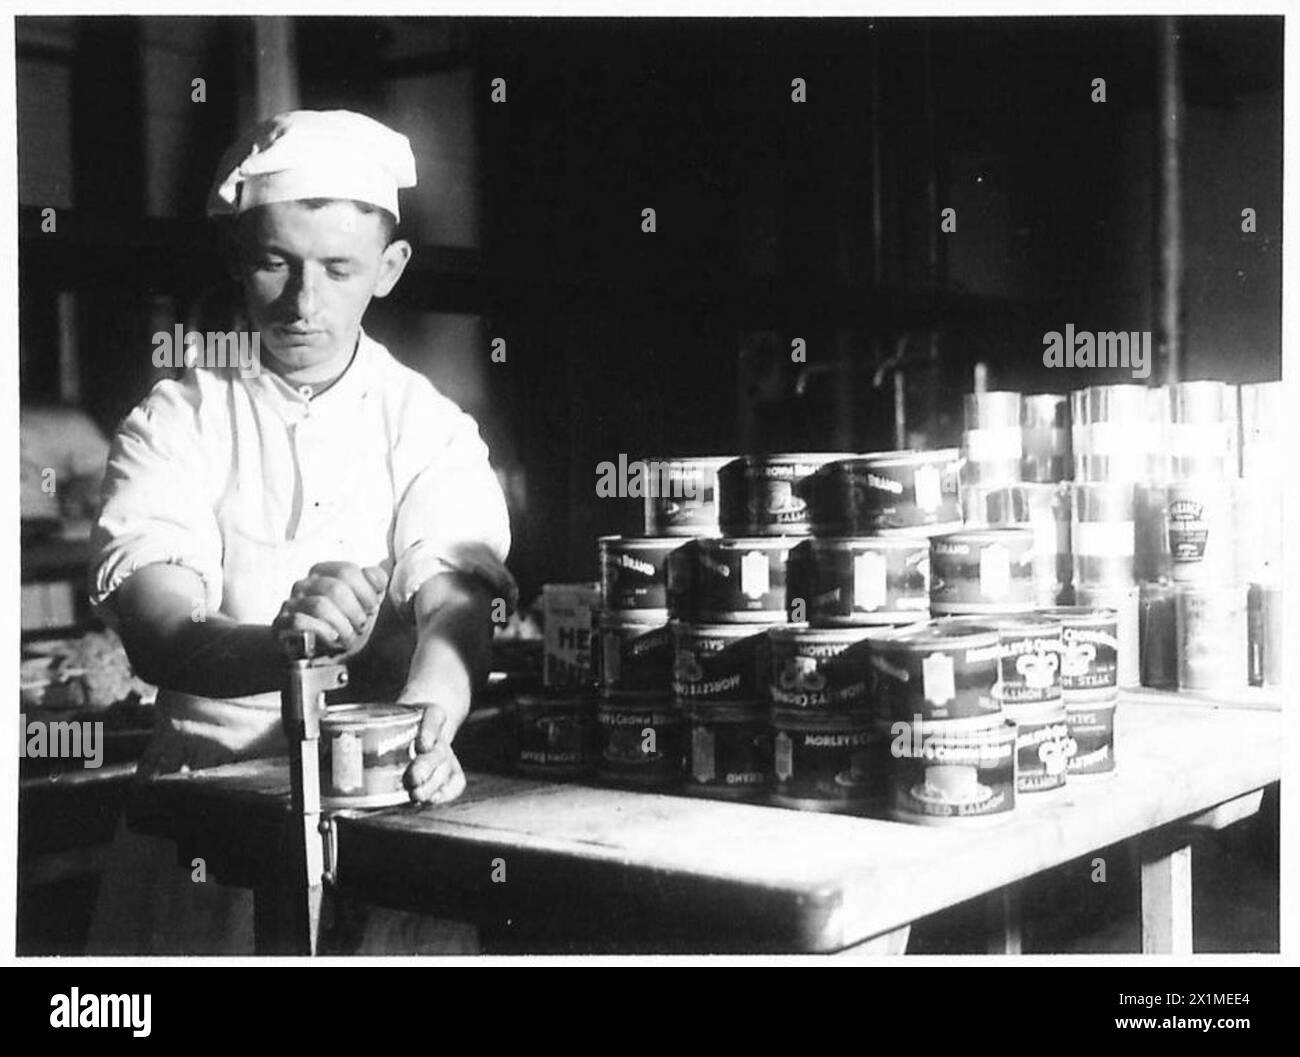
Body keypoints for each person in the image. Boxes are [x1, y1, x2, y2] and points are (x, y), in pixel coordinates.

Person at [86, 109, 513, 954]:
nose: (304, 302)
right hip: (204, 825)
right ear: (240, 259)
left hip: (384, 815)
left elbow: (455, 611)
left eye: (338, 268)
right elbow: (158, 626)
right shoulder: (177, 420)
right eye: (277, 263)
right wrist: (284, 649)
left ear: (388, 269)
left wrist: (427, 723)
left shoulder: (429, 427)